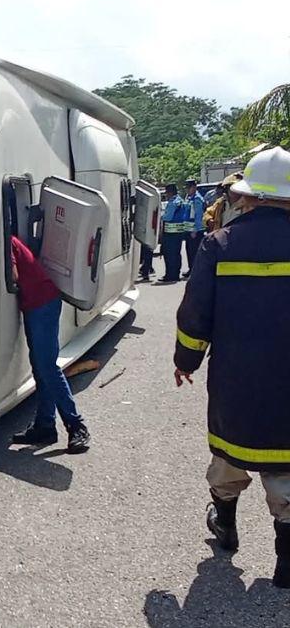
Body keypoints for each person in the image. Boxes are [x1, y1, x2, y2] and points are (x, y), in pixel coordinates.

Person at [173, 146, 290, 589]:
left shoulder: (220, 243)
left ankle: (225, 527)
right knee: (285, 465)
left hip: (235, 376)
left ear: (250, 195)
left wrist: (186, 360)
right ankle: (286, 563)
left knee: (228, 455)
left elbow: (195, 313)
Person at [8, 234, 91, 453]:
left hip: (42, 304)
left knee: (47, 367)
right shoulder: (9, 240)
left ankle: (76, 426)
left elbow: (13, 275)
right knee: (39, 366)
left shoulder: (4, 242)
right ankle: (45, 426)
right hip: (36, 304)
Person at [159, 182, 193, 282]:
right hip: (179, 232)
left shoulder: (173, 202)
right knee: (177, 254)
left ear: (170, 192)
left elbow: (168, 217)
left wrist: (161, 217)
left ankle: (170, 275)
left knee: (169, 255)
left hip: (170, 232)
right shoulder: (180, 200)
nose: (166, 195)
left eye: (166, 193)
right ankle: (175, 274)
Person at [183, 179, 206, 275]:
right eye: (186, 188)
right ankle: (191, 269)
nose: (187, 190)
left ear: (194, 187)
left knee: (194, 252)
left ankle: (195, 271)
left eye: (189, 188)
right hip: (189, 230)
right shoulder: (189, 198)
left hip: (195, 231)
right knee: (189, 251)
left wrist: (195, 230)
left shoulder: (197, 199)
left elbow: (199, 216)